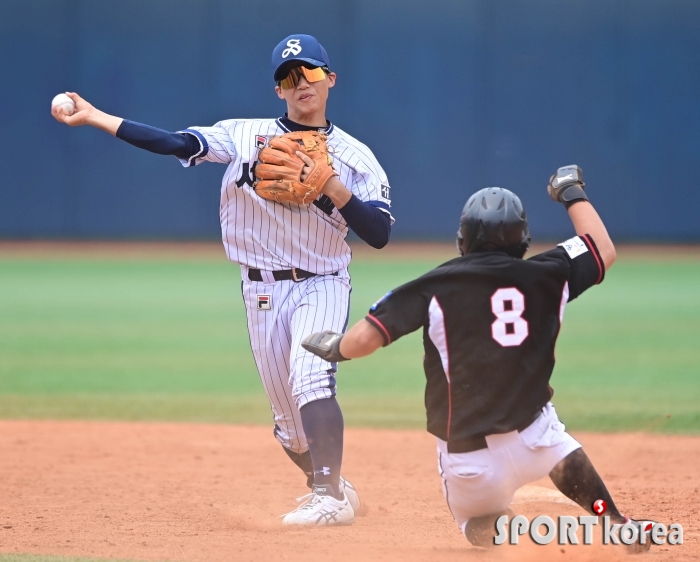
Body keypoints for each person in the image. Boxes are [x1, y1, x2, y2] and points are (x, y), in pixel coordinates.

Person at [51, 34, 394, 526]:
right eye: (288, 77)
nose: (301, 84)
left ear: (330, 78)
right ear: (278, 90)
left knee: (312, 373)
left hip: (322, 282)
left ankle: (330, 500)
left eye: (311, 73)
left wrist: (331, 186)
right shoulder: (242, 134)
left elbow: (378, 233)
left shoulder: (356, 156)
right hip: (259, 291)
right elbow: (176, 143)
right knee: (290, 431)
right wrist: (96, 116)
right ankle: (332, 485)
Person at [302, 166, 652, 550]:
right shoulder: (550, 272)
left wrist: (336, 347)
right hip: (537, 440)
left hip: (471, 465)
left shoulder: (435, 284)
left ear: (461, 240)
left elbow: (365, 339)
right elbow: (602, 248)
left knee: (475, 522)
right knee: (558, 449)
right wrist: (570, 191)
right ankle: (615, 520)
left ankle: (509, 534)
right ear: (523, 239)